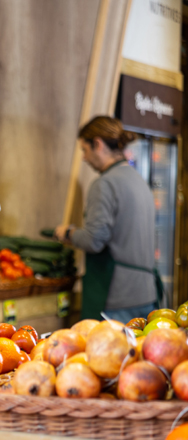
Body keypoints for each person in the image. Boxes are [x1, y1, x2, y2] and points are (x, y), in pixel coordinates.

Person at [53, 116, 161, 323]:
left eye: (85, 150)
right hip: (146, 295)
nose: (84, 158)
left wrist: (68, 232)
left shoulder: (104, 184)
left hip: (117, 299)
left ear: (98, 144)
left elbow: (94, 240)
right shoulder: (139, 180)